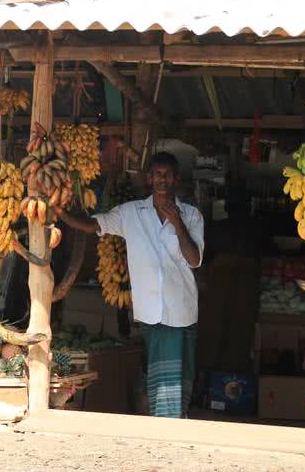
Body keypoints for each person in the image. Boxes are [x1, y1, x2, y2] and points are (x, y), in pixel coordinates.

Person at [56, 152, 204, 418]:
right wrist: (60, 213)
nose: (163, 179)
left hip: (181, 309)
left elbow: (194, 260)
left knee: (181, 373)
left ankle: (176, 421)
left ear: (176, 179)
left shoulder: (191, 215)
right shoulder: (131, 213)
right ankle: (165, 422)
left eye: (168, 174)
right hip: (151, 311)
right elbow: (93, 225)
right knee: (160, 371)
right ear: (149, 179)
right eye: (157, 174)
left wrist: (177, 223)